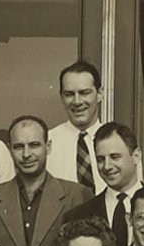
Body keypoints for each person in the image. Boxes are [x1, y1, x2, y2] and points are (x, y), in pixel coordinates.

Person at [0, 114, 93, 246]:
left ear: (48, 146)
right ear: (9, 149)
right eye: (19, 147)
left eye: (34, 145)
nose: (26, 154)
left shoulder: (77, 195)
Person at [45, 60, 107, 194]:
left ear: (100, 94)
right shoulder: (47, 143)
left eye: (84, 93)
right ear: (61, 97)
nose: (77, 101)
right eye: (69, 94)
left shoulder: (118, 143)